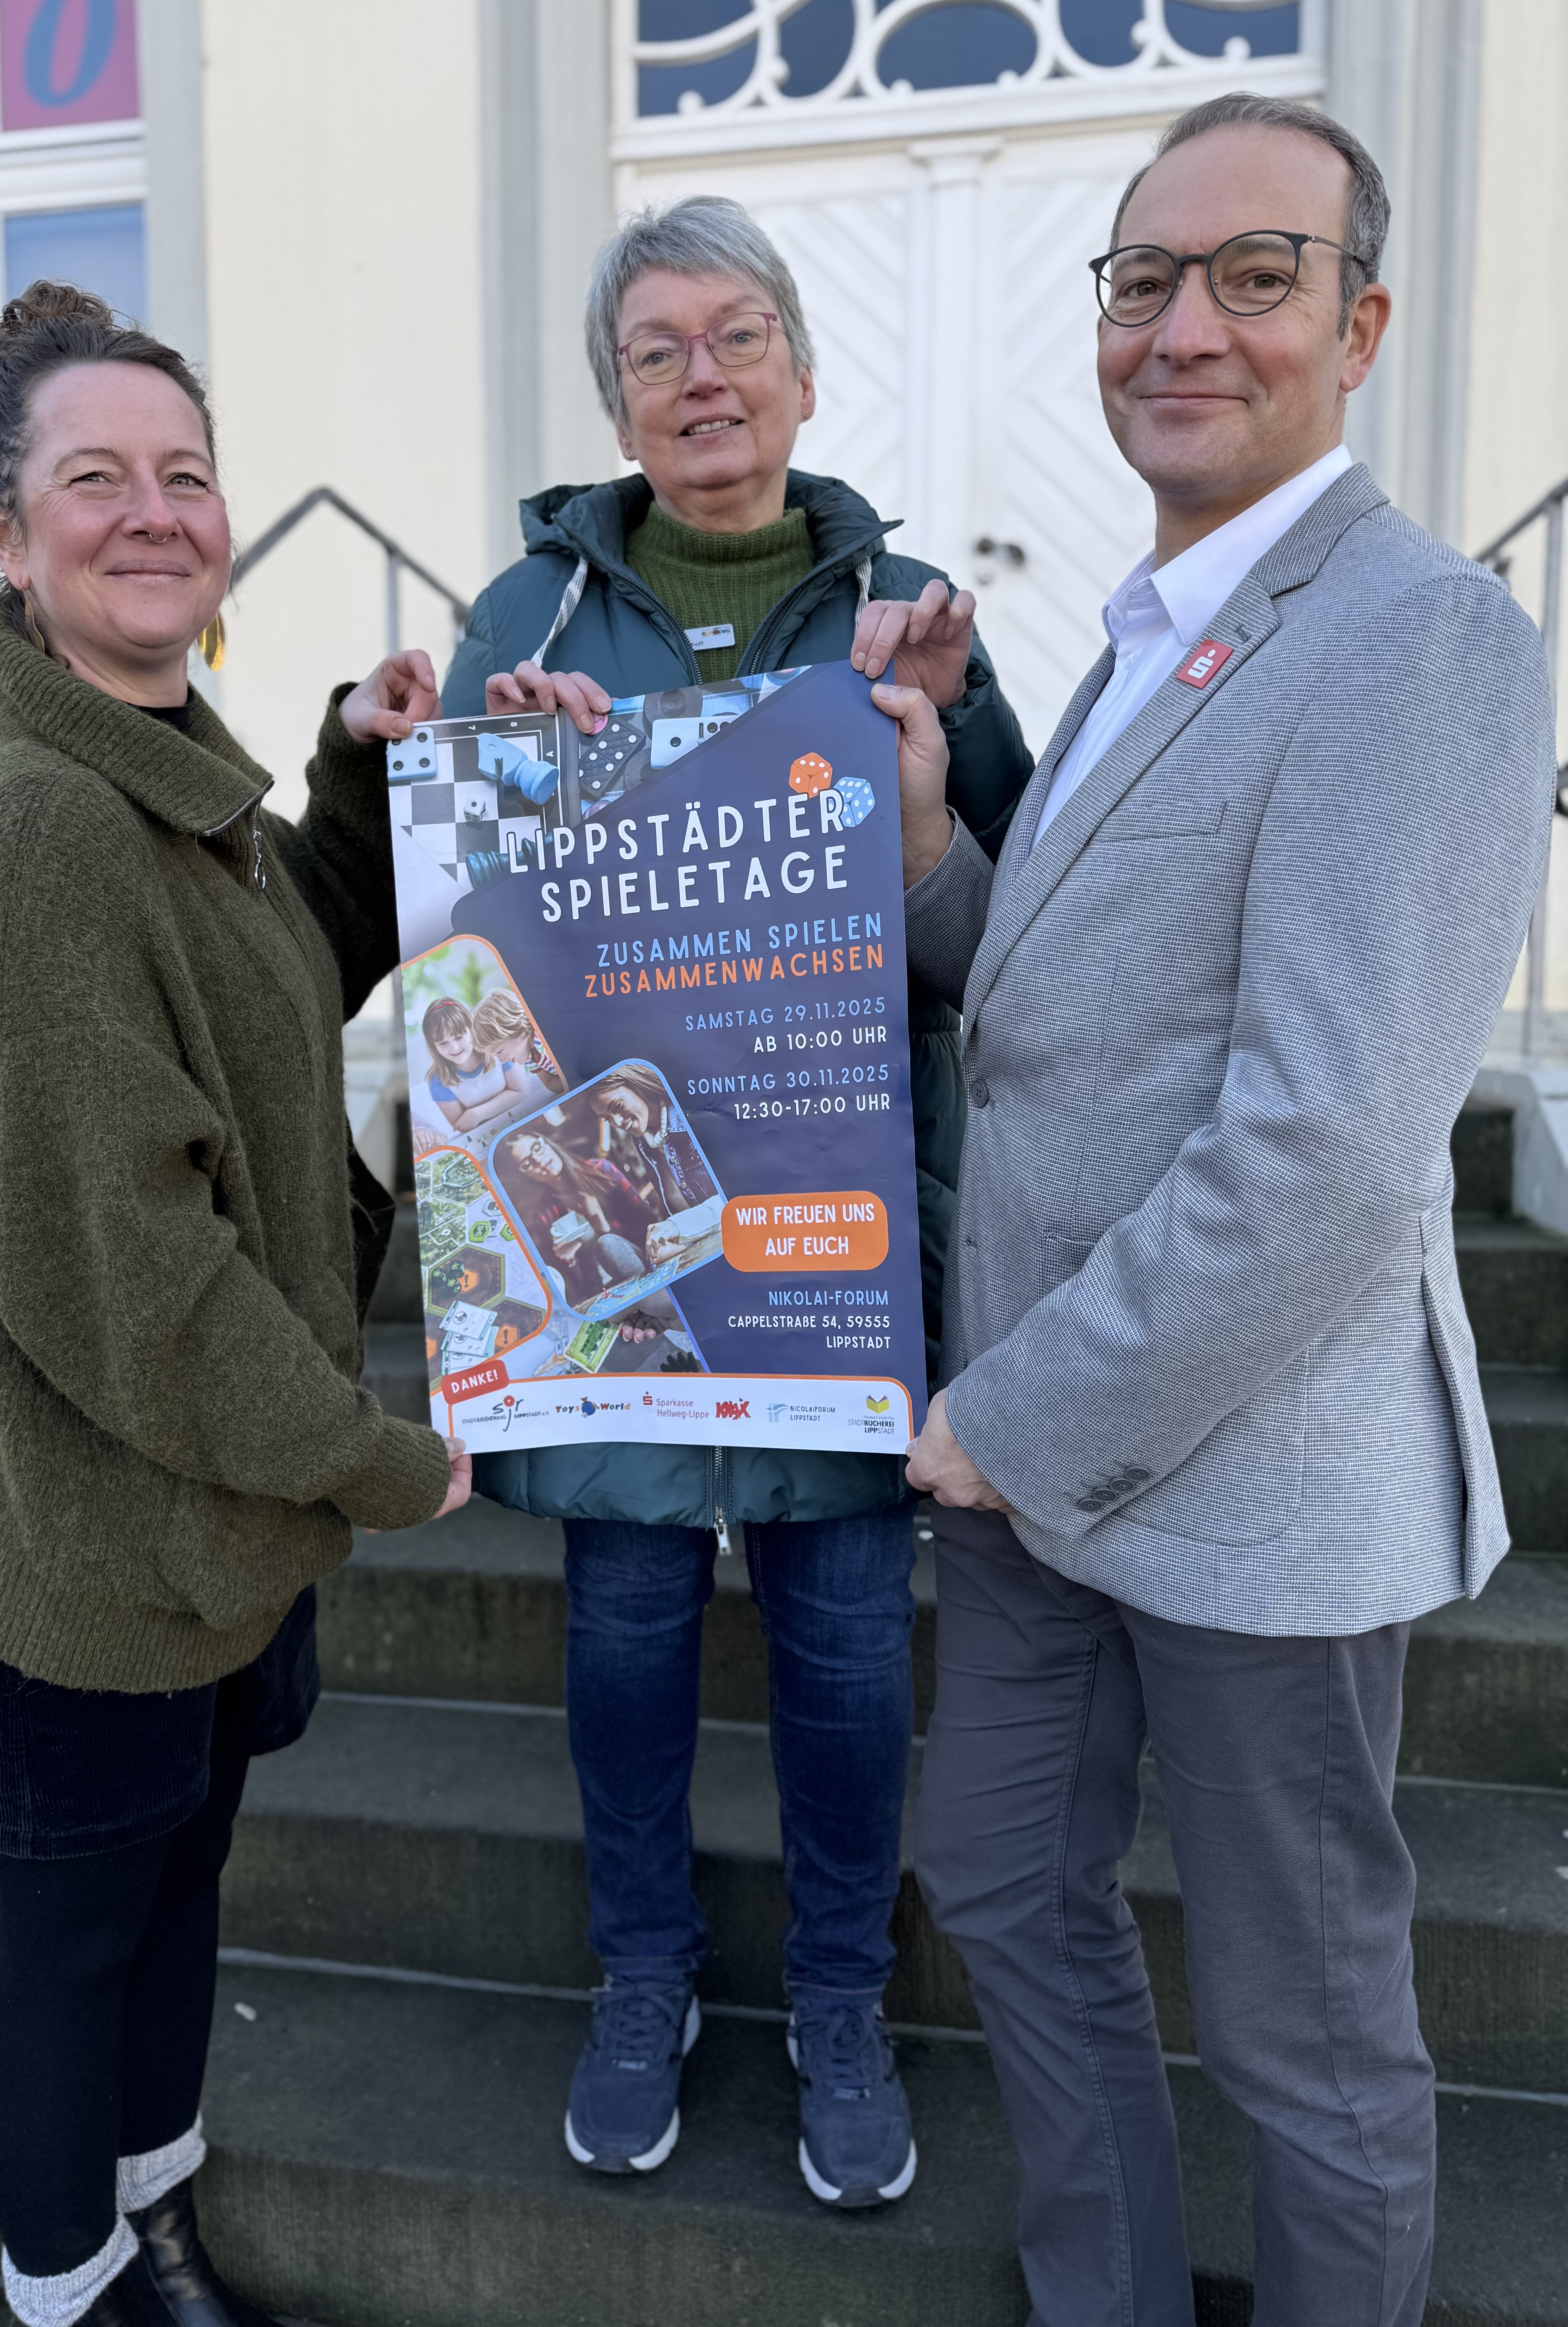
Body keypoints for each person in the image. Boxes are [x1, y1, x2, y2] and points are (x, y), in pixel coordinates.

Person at [877, 96, 1556, 2324]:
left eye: (1247, 277)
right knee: (992, 1878)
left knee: (1303, 2022)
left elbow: (1328, 1151)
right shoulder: (1149, 624)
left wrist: (1003, 1420)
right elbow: (1062, 998)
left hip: (1240, 1465)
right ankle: (1108, 2293)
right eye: (1141, 280)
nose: (1180, 327)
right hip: (1037, 1469)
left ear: (1353, 326)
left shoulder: (1413, 635)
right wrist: (916, 853)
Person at [436, 194, 1032, 2206]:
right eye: (656, 350)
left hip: (833, 1248)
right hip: (610, 1242)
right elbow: (465, 957)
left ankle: (845, 2001)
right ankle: (645, 1977)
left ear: (800, 364)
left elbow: (1001, 939)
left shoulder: (913, 606)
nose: (701, 379)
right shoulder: (520, 621)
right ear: (616, 397)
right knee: (621, 1635)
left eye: (735, 337)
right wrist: (492, 790)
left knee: (854, 1649)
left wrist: (941, 748)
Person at [0, 284, 469, 2327]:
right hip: (82, 1555)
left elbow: (288, 968)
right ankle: (70, 2293)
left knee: (173, 1901)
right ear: (3, 526)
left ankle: (155, 2225)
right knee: (67, 1946)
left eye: (184, 473)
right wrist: (382, 1458)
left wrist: (352, 767)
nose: (153, 513)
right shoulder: (45, 826)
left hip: (202, 1534)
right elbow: (140, 1278)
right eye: (92, 480)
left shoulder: (159, 762)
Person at [501, 1129, 650, 1302]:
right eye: (528, 1164)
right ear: (525, 1175)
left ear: (546, 1142)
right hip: (602, 1294)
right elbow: (574, 1291)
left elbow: (647, 1222)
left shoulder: (602, 1171)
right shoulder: (544, 1214)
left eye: (537, 1148)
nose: (539, 1160)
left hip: (642, 1268)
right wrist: (569, 1263)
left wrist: (602, 1228)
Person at [589, 1065, 716, 1220]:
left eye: (618, 1106)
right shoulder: (643, 1144)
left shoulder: (692, 1116)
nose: (617, 1121)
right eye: (607, 1118)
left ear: (638, 1086)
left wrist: (680, 1228)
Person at [420, 995, 529, 1134]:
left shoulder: (497, 1049)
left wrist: (476, 1114)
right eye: (443, 1043)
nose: (454, 1048)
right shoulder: (438, 1081)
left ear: (471, 1029)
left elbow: (521, 1092)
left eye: (459, 1037)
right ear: (433, 1047)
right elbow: (463, 1125)